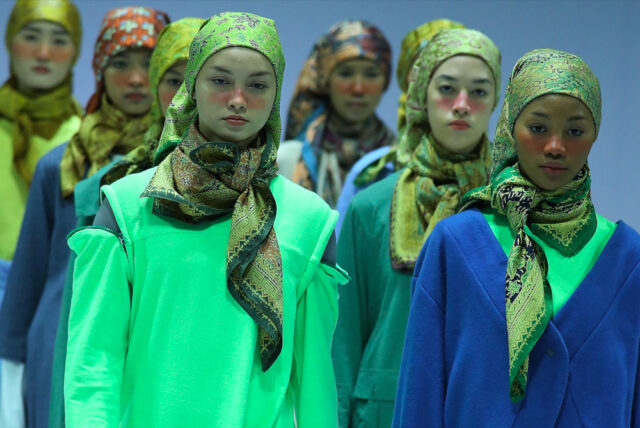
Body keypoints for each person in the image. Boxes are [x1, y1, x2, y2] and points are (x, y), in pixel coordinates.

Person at [64, 12, 347, 427]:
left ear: (276, 93)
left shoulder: (309, 222)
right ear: (192, 84)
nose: (238, 99)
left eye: (257, 85)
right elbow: (94, 361)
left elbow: (316, 387)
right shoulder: (128, 206)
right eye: (220, 80)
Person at [393, 49, 640, 427]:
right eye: (538, 128)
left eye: (575, 131)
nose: (555, 146)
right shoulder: (455, 244)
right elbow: (420, 393)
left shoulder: (627, 258)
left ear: (595, 135)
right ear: (511, 127)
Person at [0, 7, 168, 428]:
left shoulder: (182, 173)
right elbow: (28, 279)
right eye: (120, 63)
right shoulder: (63, 166)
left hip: (146, 343)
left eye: (149, 65)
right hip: (60, 339)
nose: (135, 79)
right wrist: (10, 377)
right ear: (98, 68)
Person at [332, 28, 501, 428]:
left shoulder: (511, 208)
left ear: (496, 101)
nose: (462, 105)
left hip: (480, 410)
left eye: (479, 92)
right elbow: (344, 342)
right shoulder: (370, 207)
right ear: (422, 94)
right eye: (447, 89)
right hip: (383, 410)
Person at [48, 17, 201, 428]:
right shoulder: (111, 191)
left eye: (203, 79)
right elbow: (87, 337)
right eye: (173, 79)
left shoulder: (264, 197)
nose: (187, 96)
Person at [335, 18, 464, 235]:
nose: (457, 101)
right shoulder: (371, 173)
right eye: (425, 76)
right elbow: (344, 253)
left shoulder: (501, 178)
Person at [0, 0, 82, 298]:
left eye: (59, 40)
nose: (44, 53)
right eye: (31, 36)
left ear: (75, 51)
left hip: (56, 294)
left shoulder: (87, 138)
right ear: (10, 41)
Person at [277, 19, 394, 207]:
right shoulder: (286, 161)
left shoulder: (401, 163)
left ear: (385, 81)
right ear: (325, 80)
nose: (358, 88)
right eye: (346, 73)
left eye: (371, 74)